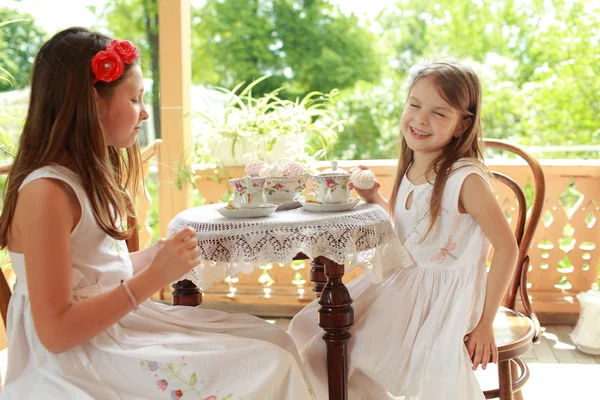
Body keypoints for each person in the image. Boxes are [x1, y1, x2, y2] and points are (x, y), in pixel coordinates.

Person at [0, 27, 313, 400]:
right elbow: (56, 333)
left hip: (112, 329)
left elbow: (90, 275)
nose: (145, 112)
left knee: (271, 337)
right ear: (93, 102)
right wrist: (153, 277)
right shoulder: (46, 192)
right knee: (267, 363)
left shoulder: (81, 178)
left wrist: (154, 256)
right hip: (78, 361)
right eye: (135, 98)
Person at [288, 61, 519, 399]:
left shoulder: (465, 180)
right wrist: (375, 198)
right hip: (405, 281)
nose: (421, 118)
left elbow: (507, 248)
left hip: (441, 298)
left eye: (439, 113)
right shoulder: (414, 165)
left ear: (461, 125)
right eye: (414, 104)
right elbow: (410, 233)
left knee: (353, 347)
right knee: (311, 326)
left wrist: (486, 323)